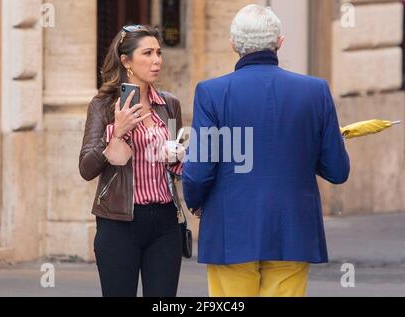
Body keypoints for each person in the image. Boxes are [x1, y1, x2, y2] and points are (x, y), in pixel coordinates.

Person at [182, 5, 350, 297]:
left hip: (230, 228)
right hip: (293, 227)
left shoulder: (211, 92)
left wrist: (195, 200)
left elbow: (200, 168)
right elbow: (337, 170)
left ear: (233, 44)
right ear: (279, 42)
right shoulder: (315, 91)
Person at [79, 25, 185, 297]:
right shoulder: (103, 105)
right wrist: (118, 129)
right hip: (118, 222)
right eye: (147, 53)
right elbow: (86, 168)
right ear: (126, 61)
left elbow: (175, 164)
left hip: (164, 222)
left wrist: (181, 157)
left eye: (159, 53)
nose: (157, 60)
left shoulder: (169, 104)